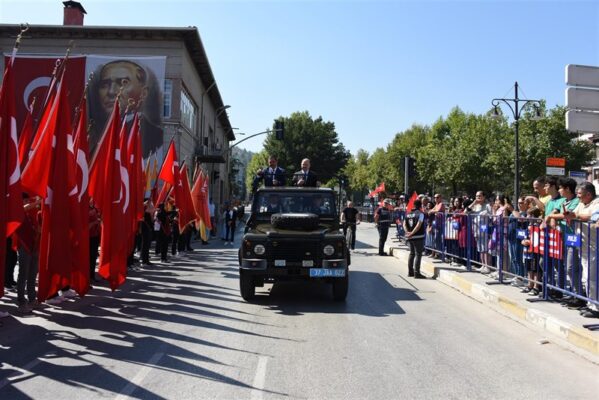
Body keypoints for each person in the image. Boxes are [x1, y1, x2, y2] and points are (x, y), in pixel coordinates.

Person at [88, 59, 163, 158]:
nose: (111, 92)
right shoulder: (91, 133)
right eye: (105, 84)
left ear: (143, 93)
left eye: (123, 83)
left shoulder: (155, 137)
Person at [15, 195, 42, 313]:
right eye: (25, 200)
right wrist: (39, 200)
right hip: (24, 246)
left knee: (32, 274)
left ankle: (32, 298)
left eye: (27, 200)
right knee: (23, 275)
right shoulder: (18, 211)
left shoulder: (33, 213)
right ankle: (21, 302)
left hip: (34, 245)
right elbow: (24, 208)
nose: (27, 202)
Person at [403, 199, 426, 278]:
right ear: (420, 205)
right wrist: (412, 233)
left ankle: (410, 272)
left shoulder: (408, 214)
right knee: (418, 254)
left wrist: (407, 233)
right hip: (418, 237)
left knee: (412, 253)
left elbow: (404, 224)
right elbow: (418, 225)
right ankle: (417, 273)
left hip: (410, 237)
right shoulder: (421, 214)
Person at [89, 199, 102, 281]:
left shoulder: (95, 209)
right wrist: (94, 223)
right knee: (88, 258)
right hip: (88, 237)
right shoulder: (85, 210)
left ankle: (92, 276)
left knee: (93, 257)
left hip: (95, 236)